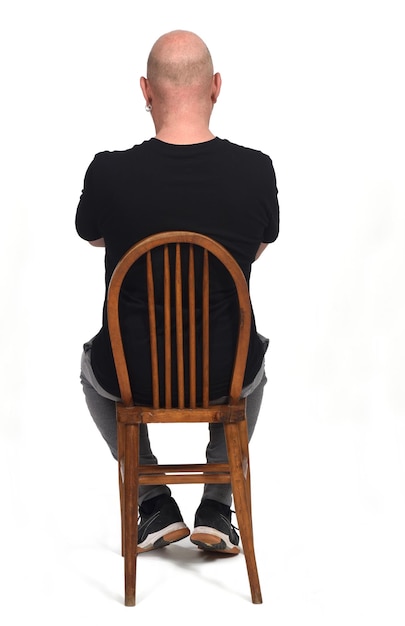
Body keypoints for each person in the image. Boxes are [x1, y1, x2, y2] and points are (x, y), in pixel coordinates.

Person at [76, 30, 279, 555]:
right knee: (252, 368)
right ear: (216, 87)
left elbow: (98, 237)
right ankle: (216, 506)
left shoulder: (107, 172)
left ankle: (154, 504)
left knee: (90, 369)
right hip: (223, 375)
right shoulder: (256, 171)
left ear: (146, 91)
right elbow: (251, 251)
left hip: (131, 377)